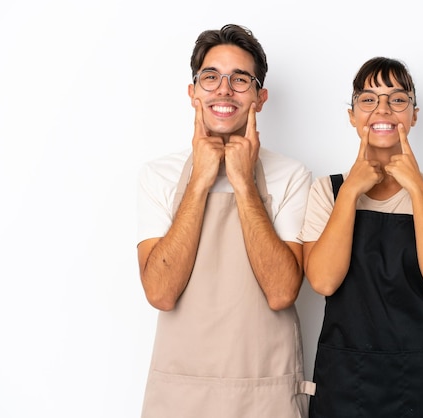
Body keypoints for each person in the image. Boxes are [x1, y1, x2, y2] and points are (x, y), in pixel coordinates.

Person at [136, 24, 314, 418]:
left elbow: (282, 292)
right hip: (179, 396)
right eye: (211, 77)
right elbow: (160, 293)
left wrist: (244, 183)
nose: (224, 90)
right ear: (193, 92)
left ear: (259, 97)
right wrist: (200, 180)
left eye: (240, 80)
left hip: (264, 393)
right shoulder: (159, 175)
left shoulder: (292, 176)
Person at [299, 57, 423, 417]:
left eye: (398, 99)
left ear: (414, 115)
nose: (383, 109)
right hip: (345, 378)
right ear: (352, 114)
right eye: (369, 99)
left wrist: (417, 189)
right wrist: (350, 194)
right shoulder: (328, 190)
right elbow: (323, 281)